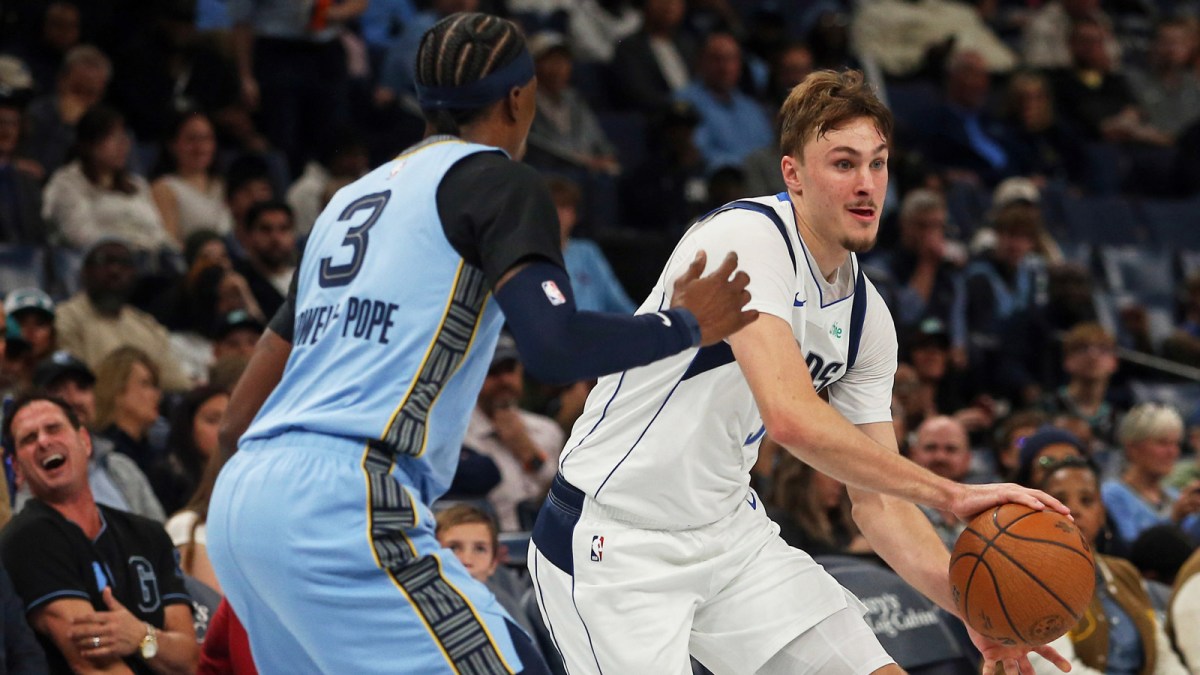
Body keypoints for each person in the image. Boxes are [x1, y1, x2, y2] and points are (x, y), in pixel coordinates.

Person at [206, 12, 755, 674]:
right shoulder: (498, 180)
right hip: (344, 494)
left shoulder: (347, 203)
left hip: (243, 501)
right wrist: (685, 324)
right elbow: (551, 347)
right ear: (520, 98)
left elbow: (236, 417)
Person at [529, 69, 1071, 675]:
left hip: (730, 536)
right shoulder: (745, 237)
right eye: (843, 164)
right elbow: (790, 417)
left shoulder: (869, 317)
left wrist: (976, 609)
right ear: (793, 175)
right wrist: (952, 493)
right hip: (616, 543)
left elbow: (879, 504)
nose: (867, 185)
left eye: (878, 164)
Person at [0, 394, 198, 674]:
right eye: (29, 439)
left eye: (54, 428)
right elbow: (96, 666)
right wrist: (155, 643)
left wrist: (141, 636)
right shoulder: (27, 540)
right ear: (17, 469)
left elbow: (189, 660)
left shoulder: (148, 533)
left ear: (86, 442)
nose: (43, 441)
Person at [1029, 456, 1188, 675]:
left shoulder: (1124, 572)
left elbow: (1163, 658)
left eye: (1087, 500)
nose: (1074, 510)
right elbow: (1056, 670)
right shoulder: (1026, 580)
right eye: (1060, 500)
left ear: (1102, 514)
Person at [26, 350, 166, 522]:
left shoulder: (122, 467)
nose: (74, 399)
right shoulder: (28, 475)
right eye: (57, 390)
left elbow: (161, 537)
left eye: (82, 388)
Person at [1103, 403, 1200, 548]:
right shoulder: (1113, 493)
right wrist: (1173, 518)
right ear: (1132, 448)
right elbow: (1130, 548)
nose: (1172, 452)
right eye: (1163, 443)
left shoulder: (1174, 495)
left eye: (1176, 444)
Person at [150, 110, 235, 246]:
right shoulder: (165, 188)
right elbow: (169, 244)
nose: (200, 147)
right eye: (191, 139)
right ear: (172, 144)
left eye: (206, 139)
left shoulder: (222, 185)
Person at [906, 415, 971, 550]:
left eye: (951, 449)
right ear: (913, 454)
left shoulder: (984, 516)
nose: (940, 457)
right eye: (931, 448)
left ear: (967, 459)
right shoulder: (894, 510)